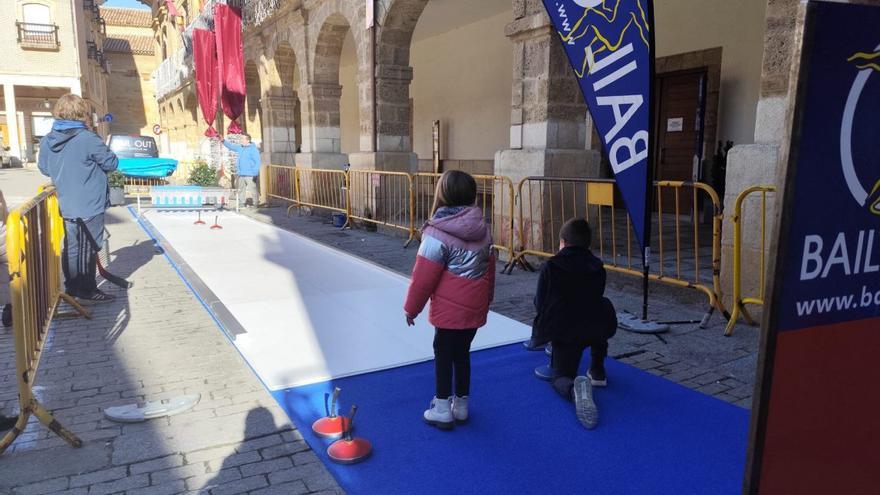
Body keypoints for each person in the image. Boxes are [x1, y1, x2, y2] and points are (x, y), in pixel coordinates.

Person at [404, 170, 495, 430]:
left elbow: (423, 278)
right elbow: (490, 269)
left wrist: (411, 308)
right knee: (462, 354)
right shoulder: (484, 229)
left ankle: (442, 407)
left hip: (448, 311)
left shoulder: (436, 233)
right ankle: (461, 405)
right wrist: (487, 300)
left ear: (442, 193)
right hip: (474, 308)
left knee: (443, 354)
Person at [531, 218, 616, 429]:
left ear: (563, 242)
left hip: (565, 330)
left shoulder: (551, 265)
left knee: (560, 375)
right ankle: (597, 370)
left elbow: (540, 302)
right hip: (596, 325)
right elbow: (598, 294)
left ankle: (573, 390)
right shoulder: (597, 266)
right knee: (601, 309)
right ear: (588, 245)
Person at [38, 94, 118, 304]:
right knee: (88, 248)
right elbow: (111, 163)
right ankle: (87, 290)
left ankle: (72, 288)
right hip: (89, 202)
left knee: (72, 247)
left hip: (66, 203)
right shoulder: (87, 138)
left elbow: (44, 168)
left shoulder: (48, 139)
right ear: (82, 113)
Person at [222, 133, 261, 207]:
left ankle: (256, 203)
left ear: (248, 140)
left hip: (250, 174)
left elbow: (257, 162)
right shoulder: (240, 147)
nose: (241, 140)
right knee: (241, 188)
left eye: (243, 139)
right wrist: (223, 141)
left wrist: (255, 173)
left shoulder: (253, 149)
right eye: (241, 139)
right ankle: (241, 202)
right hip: (241, 173)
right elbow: (231, 147)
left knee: (253, 188)